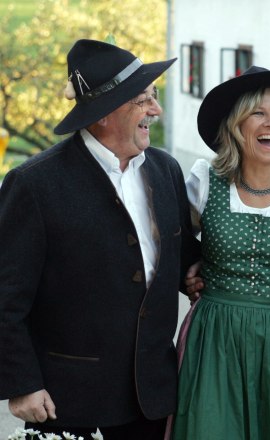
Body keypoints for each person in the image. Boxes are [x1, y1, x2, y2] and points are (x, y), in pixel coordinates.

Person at [0, 39, 199, 439]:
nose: (155, 110)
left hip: (151, 399)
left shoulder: (166, 169)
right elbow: (5, 296)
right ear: (105, 113)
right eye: (143, 100)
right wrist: (22, 383)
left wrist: (194, 273)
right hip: (66, 402)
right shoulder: (34, 184)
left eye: (154, 97)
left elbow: (177, 256)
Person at [171, 66, 270, 439]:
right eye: (258, 112)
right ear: (236, 125)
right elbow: (170, 245)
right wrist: (189, 269)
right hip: (213, 340)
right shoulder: (206, 182)